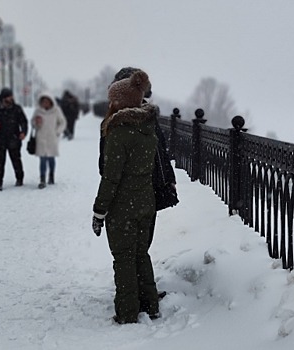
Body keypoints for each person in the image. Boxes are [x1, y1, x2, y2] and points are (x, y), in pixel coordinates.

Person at [92, 70, 160, 324]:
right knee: (141, 254)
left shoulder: (119, 133)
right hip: (145, 202)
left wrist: (99, 211)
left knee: (123, 258)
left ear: (120, 102)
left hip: (124, 206)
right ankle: (151, 305)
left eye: (113, 99)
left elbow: (111, 178)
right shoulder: (147, 129)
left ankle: (127, 312)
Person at [99, 67, 177, 249]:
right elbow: (106, 163)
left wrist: (168, 178)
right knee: (129, 246)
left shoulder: (148, 116)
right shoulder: (113, 123)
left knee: (142, 243)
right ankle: (134, 276)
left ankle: (137, 276)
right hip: (127, 191)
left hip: (151, 187)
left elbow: (161, 151)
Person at [0, 88, 28, 191]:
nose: (11, 98)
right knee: (0, 161)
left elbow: (23, 121)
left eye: (11, 96)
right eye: (9, 96)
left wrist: (23, 132)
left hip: (14, 137)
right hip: (0, 139)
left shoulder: (16, 108)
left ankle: (19, 178)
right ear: (4, 98)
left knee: (16, 160)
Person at [31, 92, 67, 189]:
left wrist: (57, 132)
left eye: (47, 101)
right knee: (42, 159)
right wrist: (36, 123)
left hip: (52, 138)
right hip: (41, 137)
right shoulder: (38, 111)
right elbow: (33, 123)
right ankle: (42, 179)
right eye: (43, 102)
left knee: (51, 158)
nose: (45, 103)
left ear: (51, 102)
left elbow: (62, 122)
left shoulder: (56, 111)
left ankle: (51, 175)